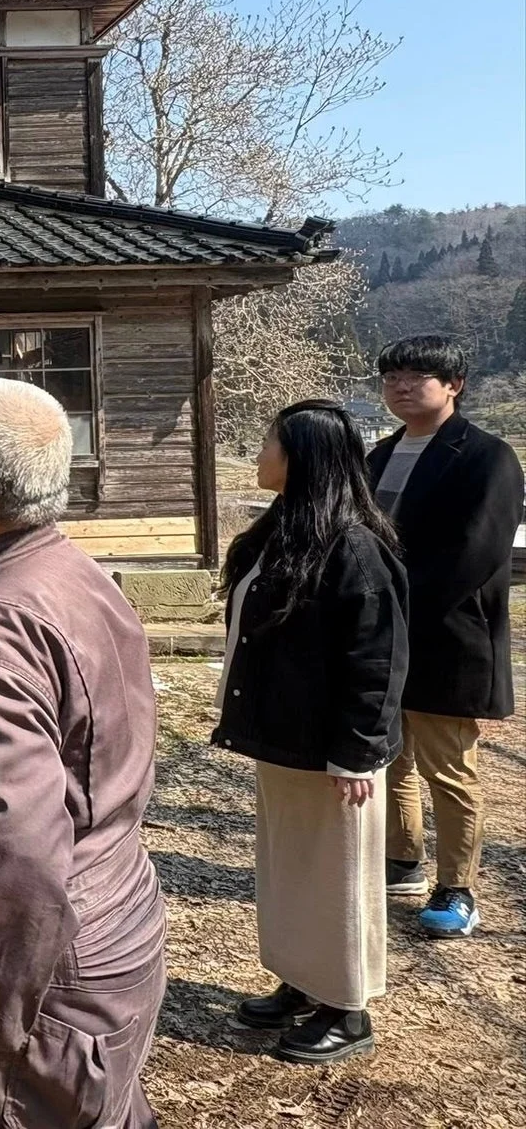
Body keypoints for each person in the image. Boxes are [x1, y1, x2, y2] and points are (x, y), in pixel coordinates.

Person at [0, 377, 165, 1128]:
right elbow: (76, 757)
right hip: (110, 920)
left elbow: (16, 860)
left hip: (39, 986)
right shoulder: (68, 573)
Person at [212, 400, 408, 1064]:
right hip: (286, 742)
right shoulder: (286, 531)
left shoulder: (354, 545)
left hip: (333, 756)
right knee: (291, 872)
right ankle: (301, 981)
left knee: (338, 882)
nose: (260, 453)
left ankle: (346, 1009)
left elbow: (377, 661)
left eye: (269, 442)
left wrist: (357, 754)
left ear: (303, 457)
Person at [370, 335, 523, 938]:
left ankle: (457, 887)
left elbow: (476, 554)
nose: (402, 386)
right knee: (392, 759)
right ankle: (402, 859)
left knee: (449, 771)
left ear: (454, 385)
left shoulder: (487, 456)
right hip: (383, 635)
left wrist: (394, 605)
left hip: (447, 637)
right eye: (391, 376)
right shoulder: (380, 454)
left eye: (418, 376)